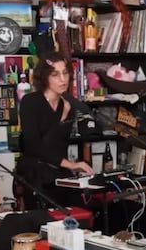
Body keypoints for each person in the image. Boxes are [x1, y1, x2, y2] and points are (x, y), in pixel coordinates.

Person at [16, 51, 94, 209]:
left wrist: (74, 169)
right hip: (34, 173)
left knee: (81, 210)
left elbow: (59, 146)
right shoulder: (30, 102)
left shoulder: (68, 105)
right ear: (45, 77)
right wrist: (70, 164)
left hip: (58, 172)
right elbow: (34, 146)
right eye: (55, 75)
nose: (63, 79)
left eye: (65, 73)